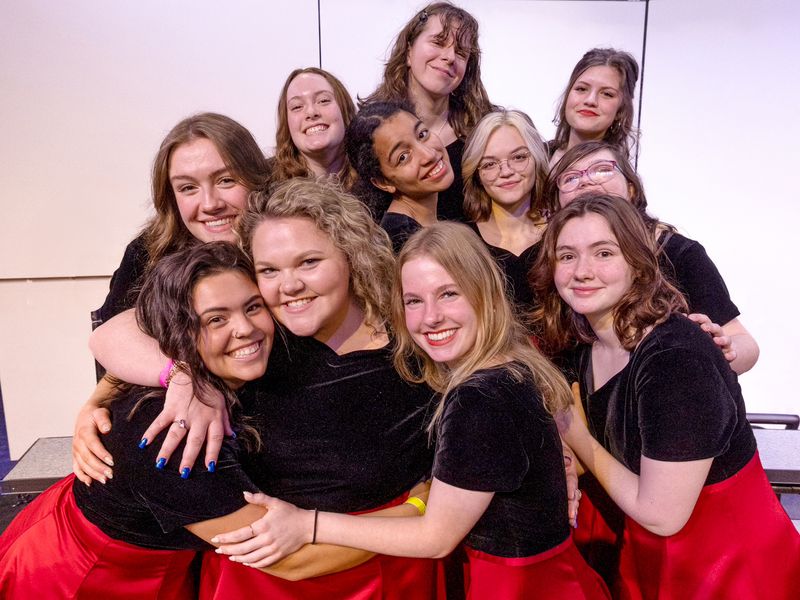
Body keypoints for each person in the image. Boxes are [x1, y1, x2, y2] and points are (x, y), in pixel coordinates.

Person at [78, 179, 440, 598]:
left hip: (390, 568)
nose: (288, 286)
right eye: (269, 270)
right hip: (265, 578)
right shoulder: (264, 330)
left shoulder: (411, 336)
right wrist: (111, 399)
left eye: (308, 262)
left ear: (351, 254)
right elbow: (117, 334)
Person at [211, 222, 610, 600]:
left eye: (449, 294)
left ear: (484, 293)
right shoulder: (507, 369)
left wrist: (305, 524)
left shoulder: (479, 396)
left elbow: (435, 538)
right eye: (414, 301)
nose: (431, 317)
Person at [0, 242, 368, 598]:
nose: (245, 328)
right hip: (76, 574)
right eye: (216, 319)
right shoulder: (169, 434)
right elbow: (289, 560)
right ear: (178, 333)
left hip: (161, 564)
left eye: (253, 307)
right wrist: (415, 518)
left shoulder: (218, 366)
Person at [532, 194, 800, 599]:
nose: (582, 271)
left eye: (603, 253)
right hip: (657, 557)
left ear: (638, 264)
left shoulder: (675, 357)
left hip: (727, 569)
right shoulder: (587, 346)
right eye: (567, 256)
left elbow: (662, 515)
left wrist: (579, 439)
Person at [544, 141, 759, 375]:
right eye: (571, 177)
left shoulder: (678, 252)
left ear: (632, 188)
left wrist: (720, 350)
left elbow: (744, 342)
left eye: (602, 169)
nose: (586, 180)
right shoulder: (555, 262)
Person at [95, 112, 270, 327]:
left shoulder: (291, 247)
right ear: (170, 197)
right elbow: (109, 341)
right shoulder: (144, 255)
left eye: (226, 180)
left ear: (256, 179)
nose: (210, 204)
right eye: (188, 188)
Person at [362, 2, 495, 222]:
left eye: (461, 52)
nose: (450, 56)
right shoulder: (372, 130)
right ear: (408, 51)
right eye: (438, 42)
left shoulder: (484, 130)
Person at [461, 109, 549, 310]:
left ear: (536, 159)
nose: (507, 171)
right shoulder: (464, 242)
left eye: (518, 157)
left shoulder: (561, 234)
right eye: (490, 164)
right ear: (476, 174)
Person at [347, 101, 454, 252]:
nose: (429, 154)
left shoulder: (429, 224)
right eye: (403, 157)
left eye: (422, 134)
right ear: (382, 182)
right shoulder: (404, 243)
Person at [268, 67, 358, 189]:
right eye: (297, 107)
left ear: (344, 110)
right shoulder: (266, 187)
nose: (311, 112)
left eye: (323, 100)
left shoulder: (379, 178)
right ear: (287, 124)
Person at [549, 49, 639, 166]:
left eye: (607, 94)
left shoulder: (612, 176)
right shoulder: (533, 158)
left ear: (620, 110)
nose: (590, 100)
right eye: (581, 89)